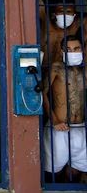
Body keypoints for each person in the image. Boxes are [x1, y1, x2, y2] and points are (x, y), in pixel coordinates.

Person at [42, 36, 87, 182]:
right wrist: (54, 120)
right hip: (58, 128)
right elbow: (42, 93)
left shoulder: (84, 70)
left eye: (76, 49)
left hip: (80, 128)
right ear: (62, 51)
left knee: (77, 170)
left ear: (82, 50)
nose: (72, 52)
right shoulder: (56, 68)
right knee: (52, 171)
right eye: (68, 49)